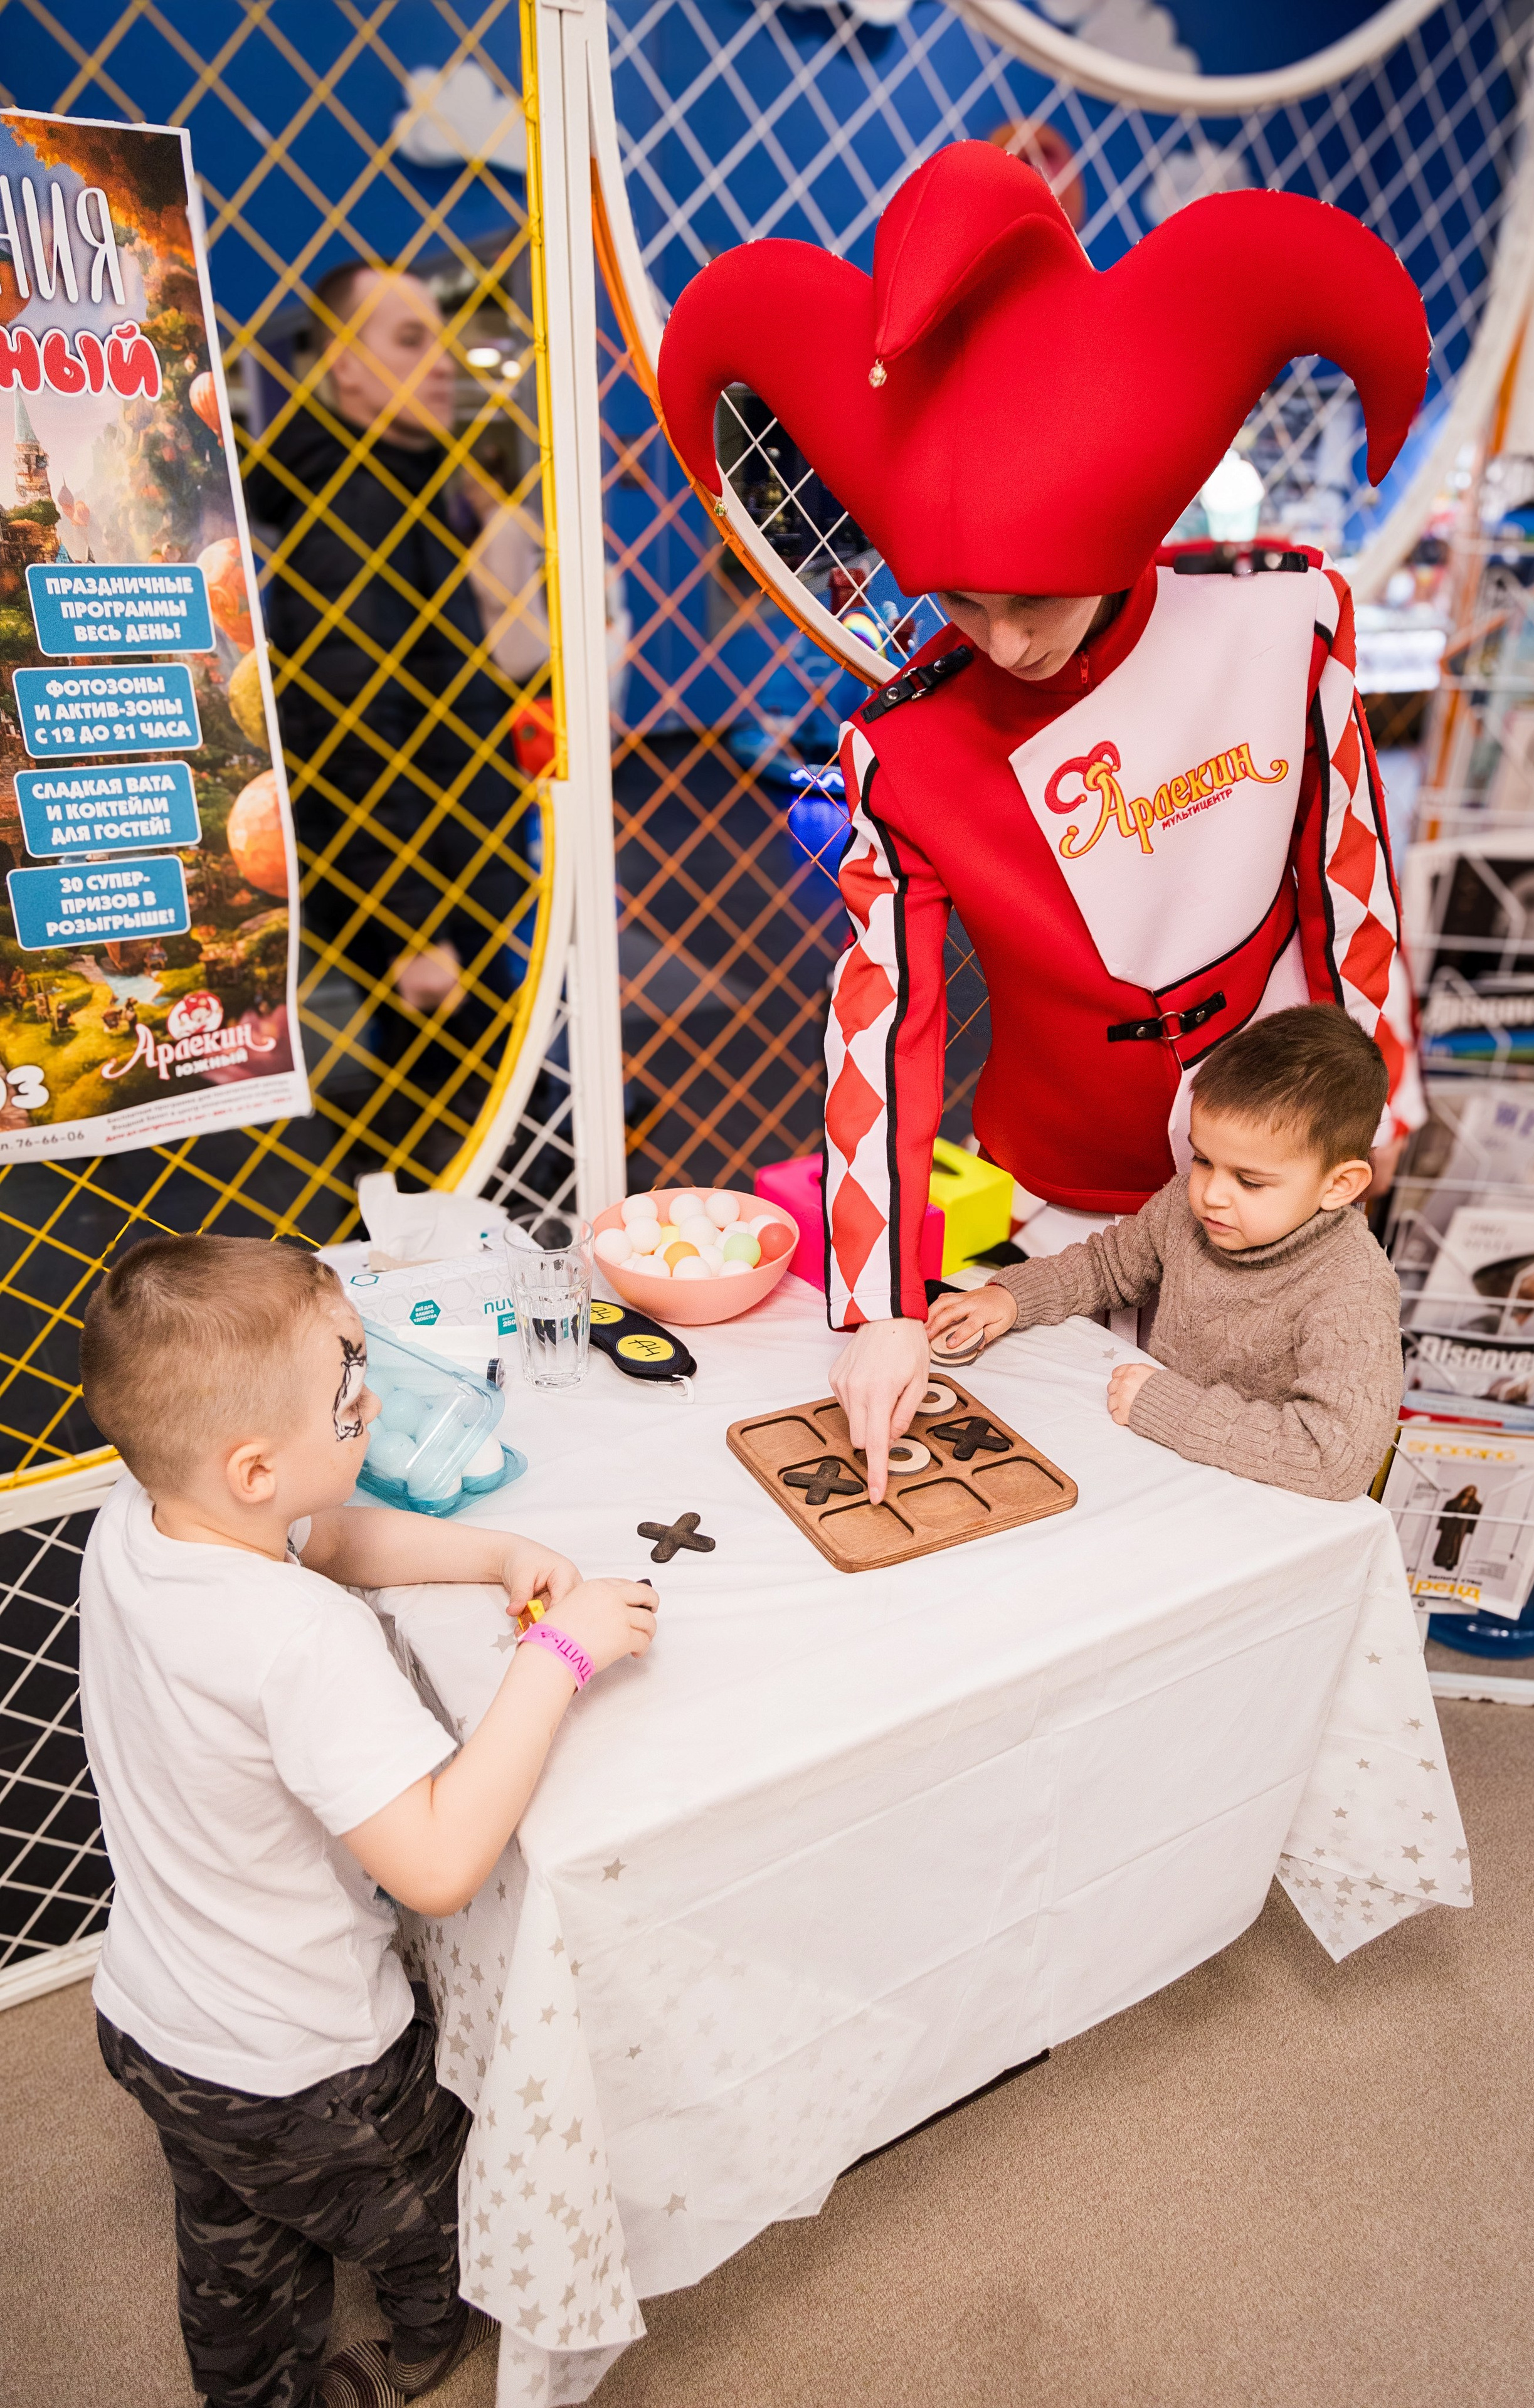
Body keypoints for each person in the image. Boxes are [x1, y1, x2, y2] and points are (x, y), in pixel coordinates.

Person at [657, 141, 1429, 1496]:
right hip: (1057, 1189)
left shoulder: (1274, 624)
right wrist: (878, 1303)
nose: (1006, 644)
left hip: (1281, 1169)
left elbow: (1347, 885)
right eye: (962, 602)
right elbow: (883, 1025)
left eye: (1042, 596)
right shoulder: (904, 746)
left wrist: (1372, 1136)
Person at [77, 1235, 657, 2408]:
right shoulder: (299, 1642)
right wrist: (559, 1655)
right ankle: (427, 2340)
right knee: (434, 2204)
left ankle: (253, 2386)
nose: (374, 1396)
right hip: (313, 2067)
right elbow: (441, 1862)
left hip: (152, 2022)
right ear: (252, 1465)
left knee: (233, 2244)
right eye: (348, 1386)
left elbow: (325, 1536)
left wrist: (497, 1550)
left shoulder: (139, 1526)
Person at [247, 262, 546, 1170]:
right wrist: (416, 924)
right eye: (411, 340)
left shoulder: (400, 481)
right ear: (345, 367)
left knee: (459, 1125)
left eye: (442, 336)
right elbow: (351, 729)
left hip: (446, 867)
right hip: (426, 892)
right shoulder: (354, 498)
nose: (445, 362)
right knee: (441, 1139)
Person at [924, 1006, 1404, 1502]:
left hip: (1253, 1506)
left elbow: (1334, 1460)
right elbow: (1108, 1265)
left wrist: (1167, 1406)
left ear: (1340, 1185)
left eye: (1249, 1181)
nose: (1211, 1194)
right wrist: (1012, 1298)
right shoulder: (1189, 1206)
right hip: (1160, 1466)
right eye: (1202, 1160)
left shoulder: (1353, 1290)